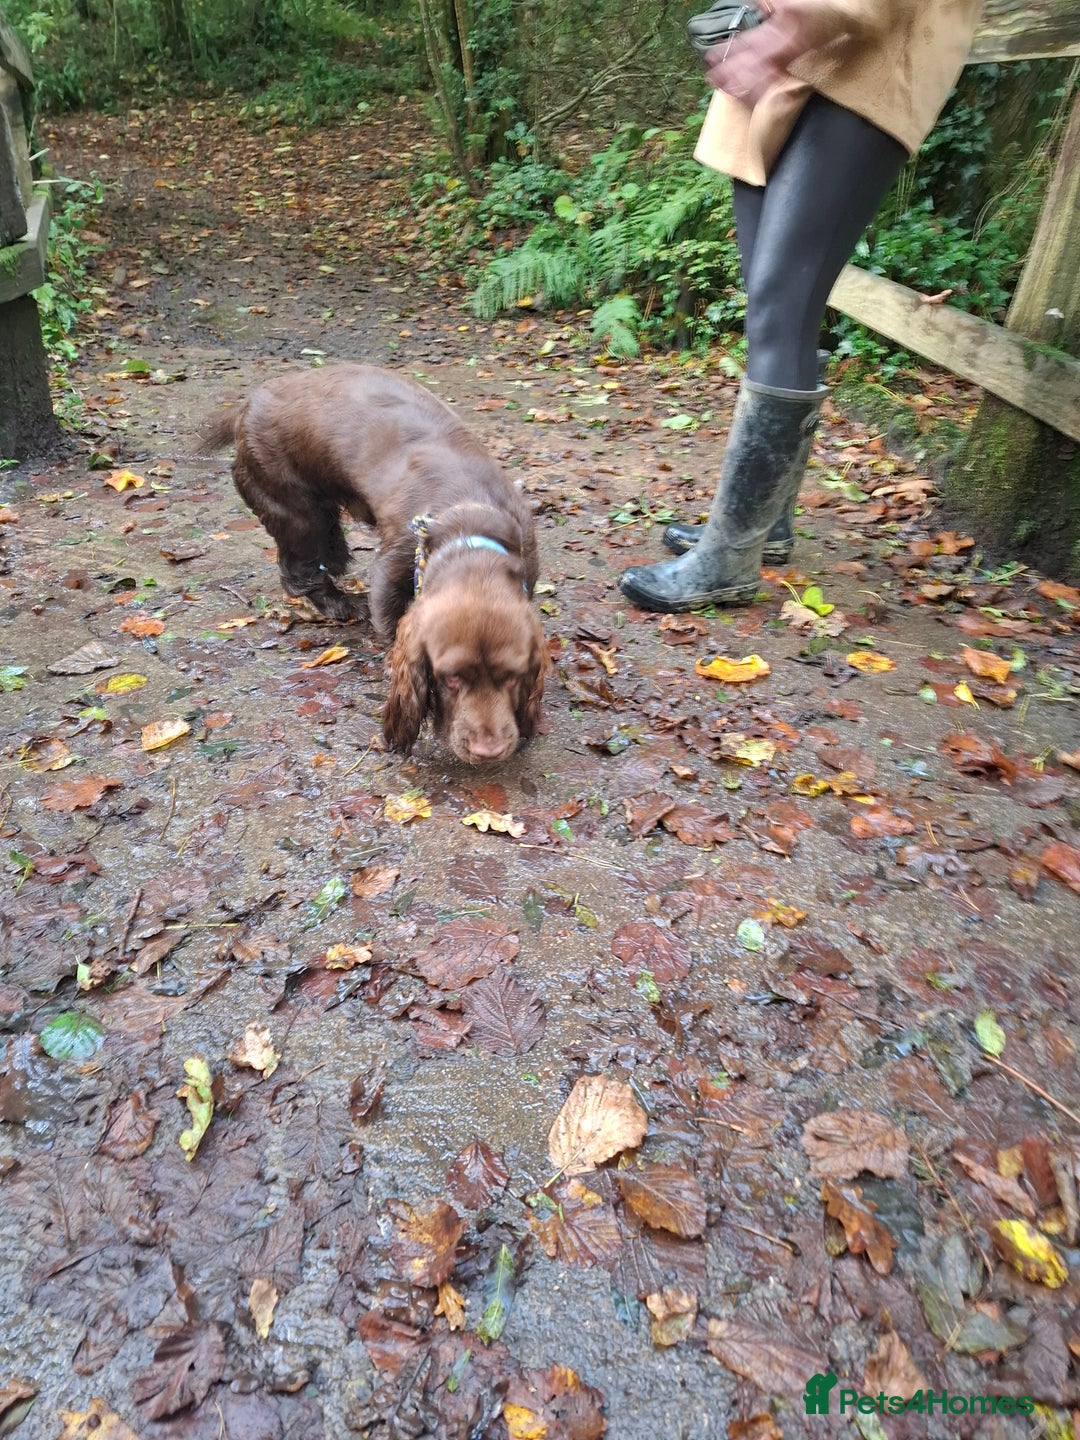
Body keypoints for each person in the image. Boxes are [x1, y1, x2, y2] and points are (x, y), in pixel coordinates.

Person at [618, 0, 984, 614]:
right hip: (790, 61)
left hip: (858, 61)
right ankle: (765, 528)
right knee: (779, 307)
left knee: (780, 310)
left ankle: (728, 560)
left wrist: (793, 24)